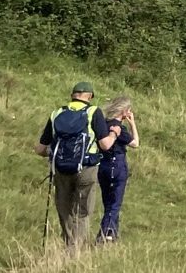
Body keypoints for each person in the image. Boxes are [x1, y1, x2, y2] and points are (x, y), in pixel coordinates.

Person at [34, 82, 121, 251]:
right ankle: (75, 250)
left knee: (64, 208)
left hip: (61, 169)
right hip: (87, 168)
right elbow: (105, 145)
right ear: (90, 96)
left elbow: (40, 149)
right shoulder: (93, 112)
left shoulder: (57, 113)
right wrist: (114, 133)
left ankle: (68, 243)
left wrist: (56, 153)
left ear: (72, 95)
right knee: (82, 210)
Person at [97, 96, 139, 244]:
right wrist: (132, 123)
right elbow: (135, 143)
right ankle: (103, 234)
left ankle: (112, 234)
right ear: (124, 112)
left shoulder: (103, 124)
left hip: (102, 166)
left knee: (108, 201)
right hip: (118, 165)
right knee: (115, 203)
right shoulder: (119, 128)